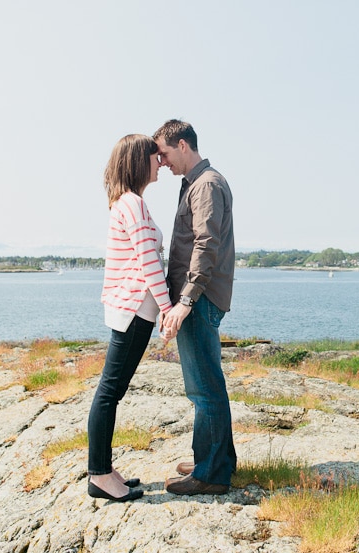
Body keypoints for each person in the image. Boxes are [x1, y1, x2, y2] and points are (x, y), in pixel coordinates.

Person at [87, 134, 172, 502]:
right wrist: (169, 310)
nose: (160, 163)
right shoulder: (133, 204)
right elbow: (148, 261)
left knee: (111, 391)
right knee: (109, 392)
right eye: (155, 156)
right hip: (136, 307)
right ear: (139, 161)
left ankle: (104, 470)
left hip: (133, 308)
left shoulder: (128, 202)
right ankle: (100, 475)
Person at [155, 119, 237, 495]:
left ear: (183, 145)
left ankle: (212, 473)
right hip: (197, 298)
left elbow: (206, 246)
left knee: (205, 388)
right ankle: (211, 457)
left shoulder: (206, 185)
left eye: (166, 153)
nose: (162, 161)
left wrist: (185, 302)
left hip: (199, 299)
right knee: (203, 385)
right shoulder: (196, 184)